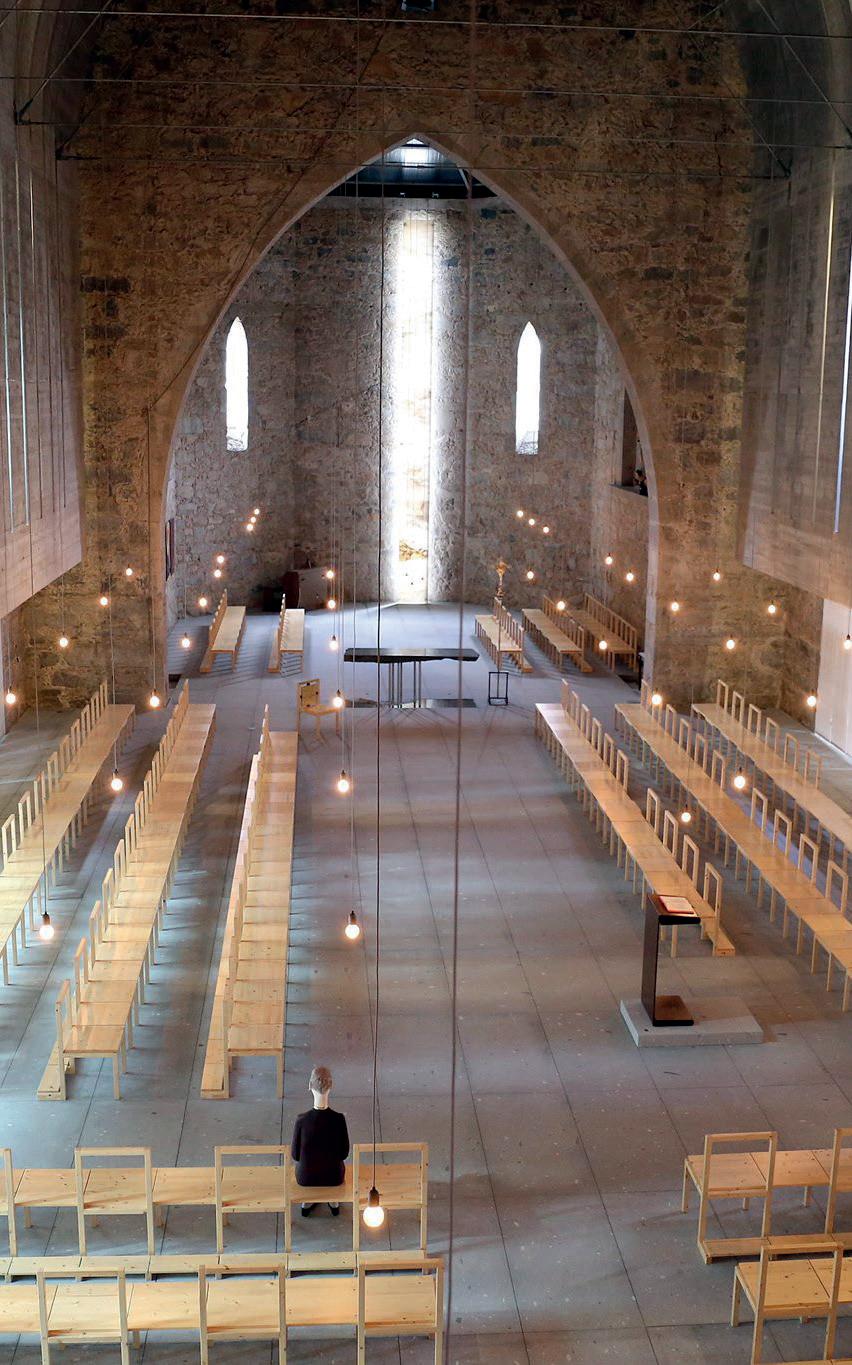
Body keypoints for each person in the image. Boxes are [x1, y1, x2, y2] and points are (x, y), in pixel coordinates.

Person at [290, 1064, 350, 1216]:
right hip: (334, 1177)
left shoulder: (301, 1120)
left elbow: (295, 1155)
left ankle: (307, 1201)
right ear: (331, 1086)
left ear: (310, 1086)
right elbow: (344, 1154)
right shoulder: (339, 1119)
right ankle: (333, 1201)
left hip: (306, 1178)